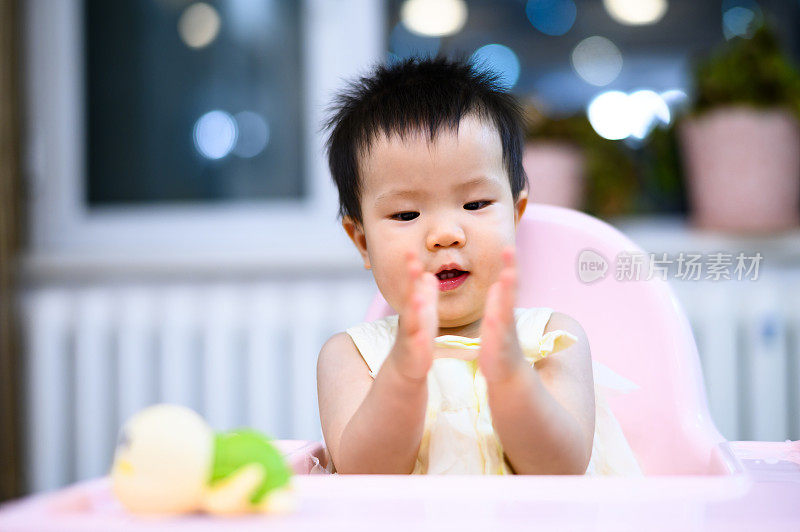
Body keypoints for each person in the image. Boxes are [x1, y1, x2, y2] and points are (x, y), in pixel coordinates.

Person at [316, 56, 642, 475]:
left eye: (474, 204)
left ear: (515, 213)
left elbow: (562, 469)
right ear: (362, 241)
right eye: (406, 215)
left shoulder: (552, 339)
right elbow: (365, 473)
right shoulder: (352, 358)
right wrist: (403, 374)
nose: (445, 234)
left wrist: (511, 378)